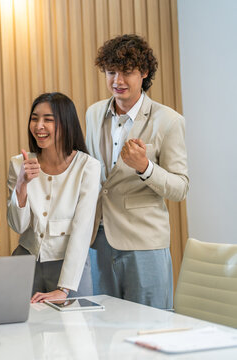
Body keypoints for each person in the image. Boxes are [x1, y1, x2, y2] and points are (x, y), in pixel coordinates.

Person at [86, 34, 189, 309]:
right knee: (104, 332)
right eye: (111, 72)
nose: (117, 81)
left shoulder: (169, 121)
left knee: (150, 329)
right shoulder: (93, 114)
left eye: (127, 72)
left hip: (144, 243)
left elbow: (180, 188)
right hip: (99, 241)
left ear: (144, 72)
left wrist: (145, 167)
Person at [7, 93, 100, 303]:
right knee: (25, 334)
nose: (39, 126)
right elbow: (18, 226)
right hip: (26, 264)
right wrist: (21, 184)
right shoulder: (18, 164)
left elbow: (82, 230)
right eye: (34, 118)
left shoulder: (88, 166)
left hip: (70, 270)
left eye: (48, 119)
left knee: (74, 333)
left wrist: (64, 289)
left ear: (66, 123)